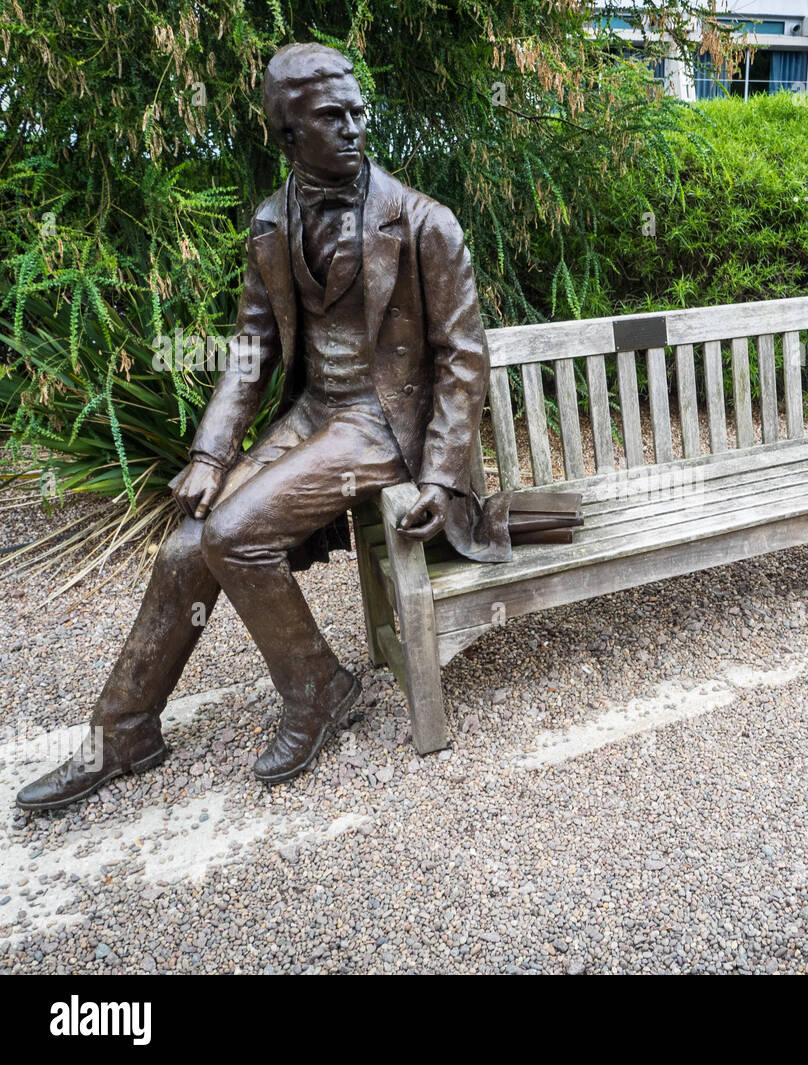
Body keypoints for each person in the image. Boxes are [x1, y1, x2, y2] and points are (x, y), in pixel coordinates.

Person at [17, 42, 508, 812]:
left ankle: (316, 688)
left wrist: (444, 477)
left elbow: (463, 359)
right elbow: (249, 351)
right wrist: (212, 452)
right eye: (331, 116)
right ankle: (123, 728)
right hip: (316, 415)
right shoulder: (272, 222)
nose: (353, 128)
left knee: (235, 532)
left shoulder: (423, 223)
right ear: (288, 133)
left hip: (384, 425)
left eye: (358, 112)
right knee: (189, 541)